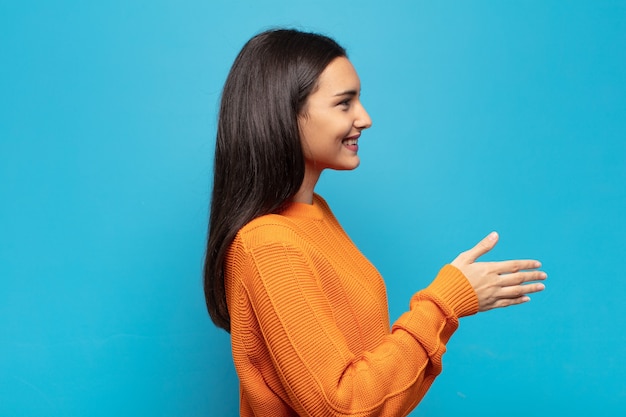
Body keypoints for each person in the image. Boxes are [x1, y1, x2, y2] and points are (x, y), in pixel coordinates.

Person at [203, 28, 546, 417]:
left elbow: (378, 386)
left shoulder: (316, 215)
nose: (364, 118)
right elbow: (343, 407)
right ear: (285, 113)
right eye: (344, 103)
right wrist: (444, 302)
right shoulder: (269, 243)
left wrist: (449, 303)